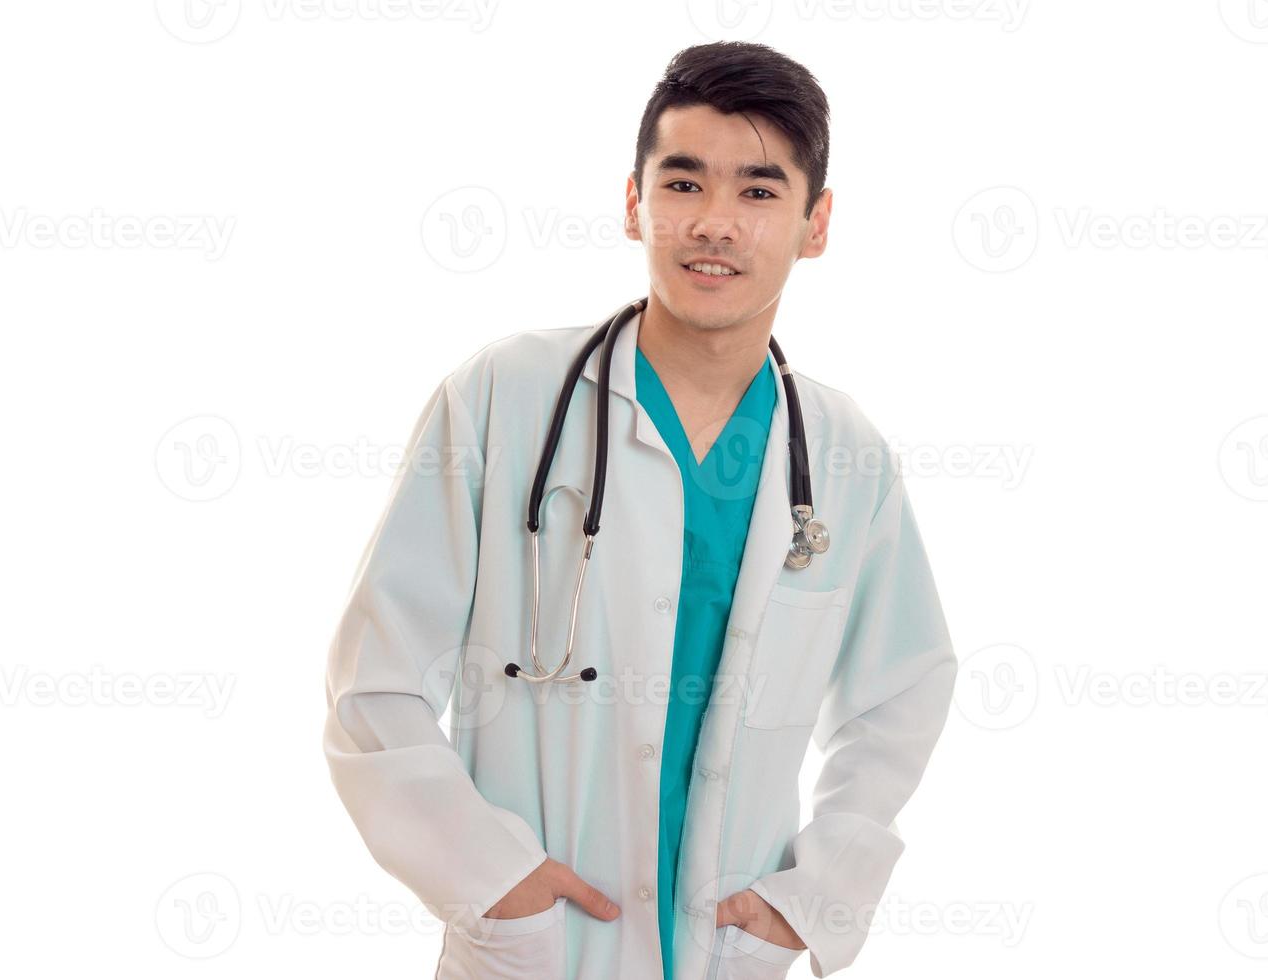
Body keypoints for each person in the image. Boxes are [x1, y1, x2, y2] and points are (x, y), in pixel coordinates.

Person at [323, 41, 957, 979]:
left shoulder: (841, 450)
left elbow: (902, 691)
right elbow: (373, 681)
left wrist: (815, 893)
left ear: (815, 224)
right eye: (685, 183)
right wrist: (489, 877)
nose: (716, 225)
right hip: (534, 945)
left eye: (759, 191)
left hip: (725, 946)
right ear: (635, 203)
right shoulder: (504, 398)